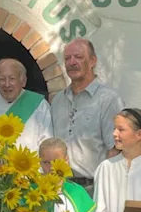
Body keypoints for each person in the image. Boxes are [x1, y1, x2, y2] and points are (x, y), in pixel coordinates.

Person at [50, 39, 124, 193]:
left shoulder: (108, 99)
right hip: (60, 188)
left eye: (78, 57)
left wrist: (107, 191)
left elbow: (115, 149)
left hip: (94, 189)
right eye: (67, 58)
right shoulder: (58, 100)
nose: (72, 62)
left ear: (92, 61)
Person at [0, 58, 53, 151]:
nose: (7, 84)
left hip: (29, 164)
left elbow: (47, 143)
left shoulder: (40, 105)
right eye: (2, 79)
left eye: (12, 79)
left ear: (23, 81)